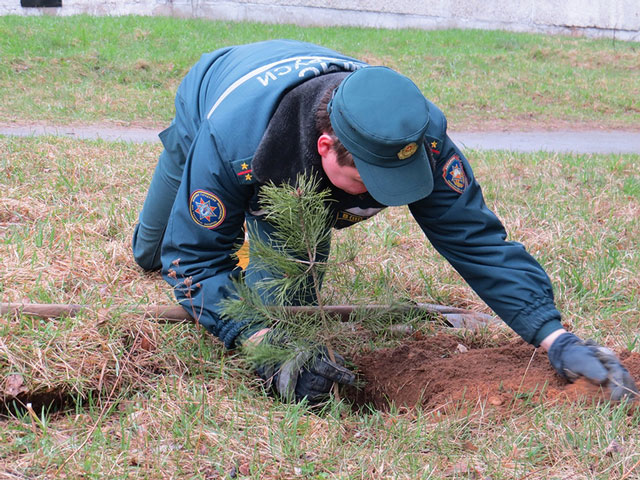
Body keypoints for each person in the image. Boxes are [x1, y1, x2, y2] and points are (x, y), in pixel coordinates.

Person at [132, 39, 637, 404]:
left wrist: (554, 335)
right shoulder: (231, 142)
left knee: (286, 315)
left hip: (301, 125)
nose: (382, 197)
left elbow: (473, 237)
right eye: (370, 181)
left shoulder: (411, 131)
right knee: (154, 253)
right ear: (326, 148)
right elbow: (194, 259)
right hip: (212, 94)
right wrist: (257, 339)